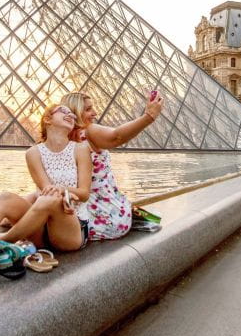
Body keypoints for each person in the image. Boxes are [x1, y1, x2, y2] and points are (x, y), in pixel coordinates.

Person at [0, 91, 164, 275]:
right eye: (87, 109)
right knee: (5, 199)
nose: (93, 113)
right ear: (53, 117)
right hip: (58, 211)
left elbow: (115, 139)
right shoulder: (38, 151)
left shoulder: (84, 141)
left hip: (88, 214)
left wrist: (148, 117)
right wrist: (16, 208)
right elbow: (43, 188)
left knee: (48, 198)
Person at [59, 91, 164, 240]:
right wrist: (148, 117)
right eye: (88, 109)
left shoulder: (61, 139)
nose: (95, 113)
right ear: (75, 110)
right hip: (108, 216)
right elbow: (117, 136)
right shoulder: (89, 131)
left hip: (76, 217)